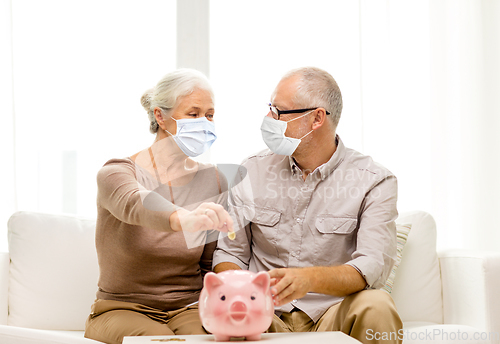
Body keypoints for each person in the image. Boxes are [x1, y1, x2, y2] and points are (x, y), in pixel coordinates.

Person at [213, 67, 403, 344]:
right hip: (264, 313)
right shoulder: (251, 170)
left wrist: (309, 279)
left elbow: (371, 266)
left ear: (316, 118)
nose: (269, 119)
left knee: (377, 305)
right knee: (222, 314)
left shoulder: (375, 181)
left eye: (279, 111)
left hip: (333, 311)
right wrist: (243, 293)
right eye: (270, 108)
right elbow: (230, 253)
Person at [84, 69, 234, 344]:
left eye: (210, 115)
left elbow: (209, 263)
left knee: (218, 340)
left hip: (187, 308)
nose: (204, 122)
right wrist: (182, 219)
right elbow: (135, 203)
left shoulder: (213, 179)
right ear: (160, 116)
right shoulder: (116, 172)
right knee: (160, 342)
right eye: (193, 113)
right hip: (122, 308)